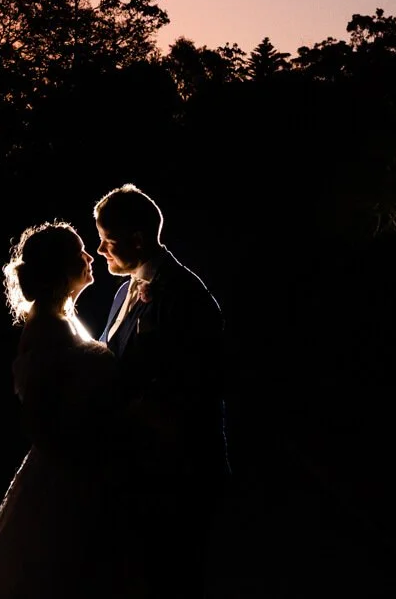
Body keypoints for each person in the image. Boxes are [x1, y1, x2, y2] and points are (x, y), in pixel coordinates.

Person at [0, 222, 132, 599]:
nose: (89, 257)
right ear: (61, 267)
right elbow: (40, 420)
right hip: (63, 481)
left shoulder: (63, 319)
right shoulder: (45, 329)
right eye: (80, 252)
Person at [94, 184, 227, 599]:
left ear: (137, 239)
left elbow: (193, 386)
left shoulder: (187, 296)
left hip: (177, 471)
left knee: (175, 579)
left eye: (107, 240)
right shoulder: (123, 290)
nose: (100, 250)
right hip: (137, 469)